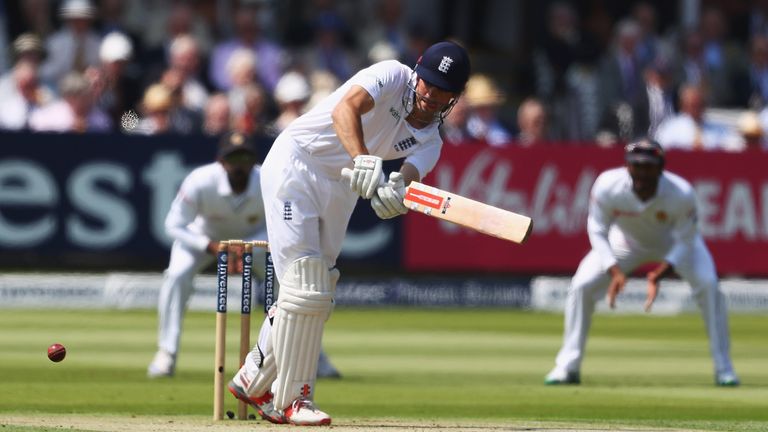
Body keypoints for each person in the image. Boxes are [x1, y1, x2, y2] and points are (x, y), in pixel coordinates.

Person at [226, 40, 471, 426]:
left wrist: (396, 194)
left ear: (455, 97)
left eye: (443, 91)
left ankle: (252, 377)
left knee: (318, 288)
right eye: (427, 83)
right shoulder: (390, 74)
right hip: (297, 162)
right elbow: (346, 107)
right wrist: (362, 159)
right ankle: (292, 400)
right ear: (417, 73)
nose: (430, 95)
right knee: (304, 281)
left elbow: (407, 178)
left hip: (342, 186)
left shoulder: (431, 141)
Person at [544, 138, 740, 387]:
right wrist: (614, 270)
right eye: (636, 166)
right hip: (625, 243)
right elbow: (597, 229)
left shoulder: (680, 193)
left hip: (675, 243)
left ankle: (724, 369)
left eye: (648, 167)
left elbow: (688, 239)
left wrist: (661, 272)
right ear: (627, 166)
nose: (642, 173)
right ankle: (567, 367)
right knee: (582, 285)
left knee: (709, 285)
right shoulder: (608, 185)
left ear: (660, 168)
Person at [148, 132, 341, 379]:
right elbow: (174, 224)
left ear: (253, 160)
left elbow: (281, 224)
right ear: (221, 161)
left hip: (255, 242)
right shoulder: (200, 180)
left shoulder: (268, 179)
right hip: (203, 239)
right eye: (233, 158)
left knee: (294, 286)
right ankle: (166, 353)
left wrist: (246, 246)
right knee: (176, 275)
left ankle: (312, 357)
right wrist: (211, 246)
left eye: (245, 157)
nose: (239, 165)